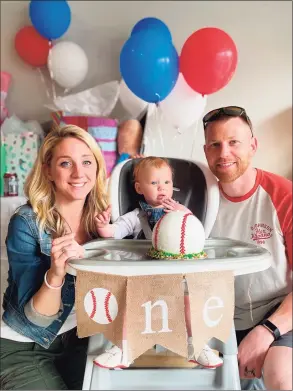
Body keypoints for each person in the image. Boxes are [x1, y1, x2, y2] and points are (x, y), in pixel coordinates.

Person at [0, 125, 108, 390]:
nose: (78, 173)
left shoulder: (105, 224)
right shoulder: (27, 223)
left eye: (86, 162)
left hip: (78, 342)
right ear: (48, 171)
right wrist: (56, 273)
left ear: (96, 168)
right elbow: (38, 318)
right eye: (65, 163)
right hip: (25, 345)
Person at [93, 156, 223, 369]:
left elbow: (196, 233)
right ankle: (122, 348)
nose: (161, 188)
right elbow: (115, 232)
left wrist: (183, 215)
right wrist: (103, 228)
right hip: (143, 279)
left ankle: (198, 345)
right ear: (139, 188)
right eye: (154, 183)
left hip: (176, 278)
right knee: (127, 302)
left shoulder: (181, 212)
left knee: (191, 301)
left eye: (167, 183)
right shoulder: (136, 216)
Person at [203, 106, 292, 390]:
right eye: (215, 145)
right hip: (220, 316)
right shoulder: (200, 201)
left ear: (253, 145)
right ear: (206, 152)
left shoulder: (284, 196)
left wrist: (267, 330)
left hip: (280, 313)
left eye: (233, 142)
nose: (224, 153)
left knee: (279, 374)